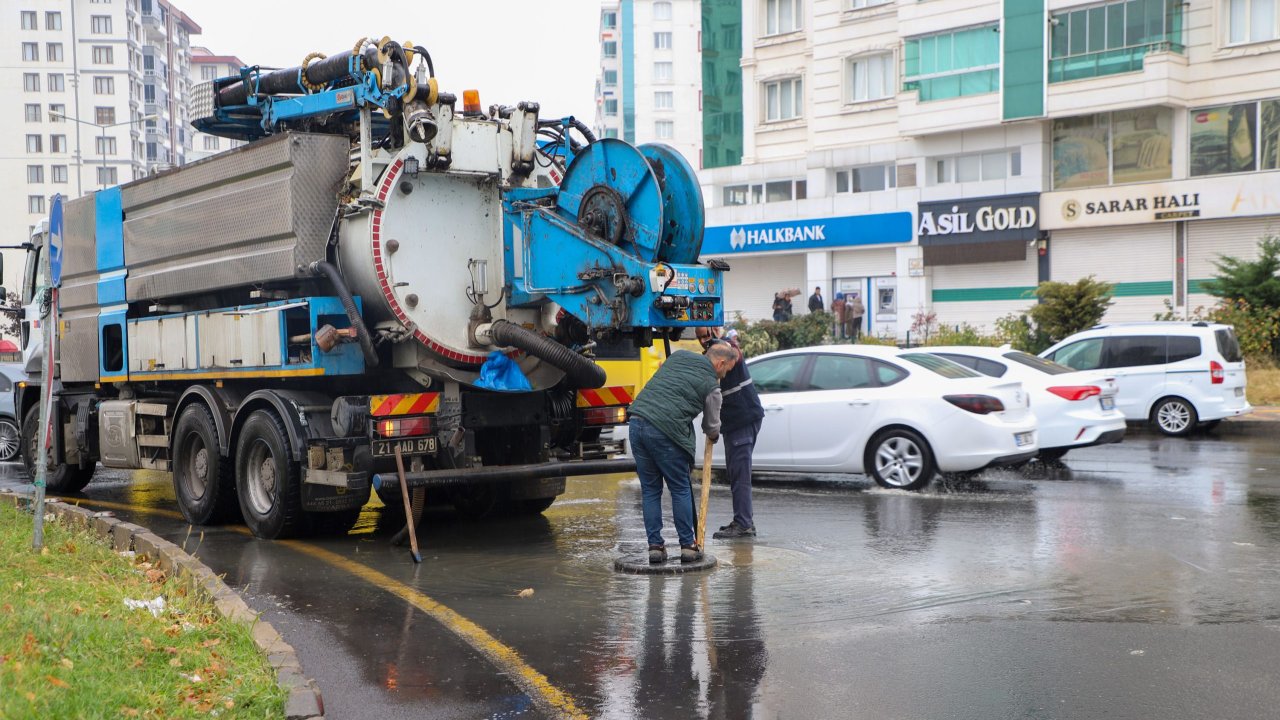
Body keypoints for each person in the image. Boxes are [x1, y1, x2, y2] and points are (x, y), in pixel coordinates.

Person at [629, 343, 738, 564]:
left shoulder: (678, 356)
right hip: (665, 431)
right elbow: (711, 426)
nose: (725, 376)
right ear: (720, 363)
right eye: (727, 370)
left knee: (650, 490)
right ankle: (688, 546)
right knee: (680, 488)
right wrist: (714, 435)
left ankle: (655, 547)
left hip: (637, 422)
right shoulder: (712, 386)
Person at [695, 327, 765, 540]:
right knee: (736, 473)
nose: (703, 340)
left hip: (742, 419)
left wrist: (719, 341)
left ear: (715, 330)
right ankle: (743, 519)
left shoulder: (726, 347)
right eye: (700, 338)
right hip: (735, 422)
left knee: (740, 475)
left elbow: (734, 352)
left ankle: (744, 524)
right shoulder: (710, 357)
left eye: (706, 335)